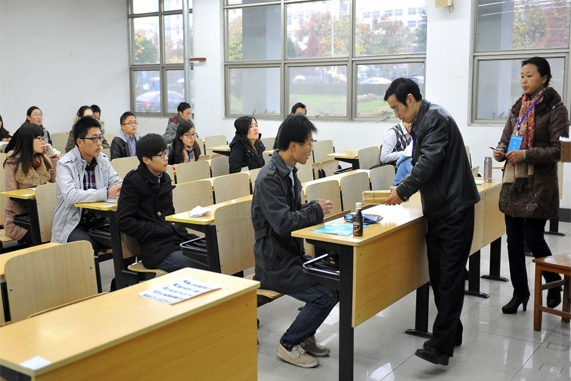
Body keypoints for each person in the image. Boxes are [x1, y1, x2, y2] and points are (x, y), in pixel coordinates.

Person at [383, 78, 480, 366]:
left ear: (410, 99)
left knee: (449, 276)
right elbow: (419, 162)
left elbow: (428, 162)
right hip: (440, 209)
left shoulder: (434, 119)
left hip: (454, 209)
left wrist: (402, 190)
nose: (396, 114)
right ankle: (453, 332)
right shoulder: (423, 120)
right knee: (439, 275)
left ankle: (440, 347)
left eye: (397, 107)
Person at [252, 114, 337, 369]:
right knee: (325, 294)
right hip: (274, 264)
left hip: (290, 256)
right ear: (293, 145)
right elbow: (283, 223)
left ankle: (305, 334)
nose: (311, 149)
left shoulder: (289, 172)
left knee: (337, 281)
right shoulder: (269, 178)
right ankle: (288, 344)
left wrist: (312, 207)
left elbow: (293, 211)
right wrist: (315, 211)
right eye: (309, 143)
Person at [493, 57, 569, 314]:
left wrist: (527, 154)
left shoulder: (556, 108)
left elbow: (559, 150)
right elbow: (506, 139)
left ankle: (552, 281)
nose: (524, 80)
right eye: (522, 75)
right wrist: (501, 151)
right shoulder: (518, 107)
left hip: (539, 183)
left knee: (532, 237)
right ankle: (520, 292)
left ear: (544, 78)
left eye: (530, 75)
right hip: (515, 181)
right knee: (513, 241)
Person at [117, 134, 201, 272]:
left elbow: (169, 213)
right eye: (161, 155)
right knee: (200, 264)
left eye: (166, 153)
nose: (166, 158)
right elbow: (124, 221)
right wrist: (161, 229)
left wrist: (175, 227)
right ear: (146, 160)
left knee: (215, 253)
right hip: (156, 248)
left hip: (175, 239)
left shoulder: (164, 177)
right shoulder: (133, 181)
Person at [51, 116, 122, 254]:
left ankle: (125, 276)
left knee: (128, 236)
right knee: (87, 245)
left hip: (100, 220)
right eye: (94, 138)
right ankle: (90, 276)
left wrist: (120, 187)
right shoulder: (65, 164)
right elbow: (71, 196)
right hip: (73, 224)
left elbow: (116, 181)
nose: (99, 143)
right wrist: (106, 193)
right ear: (80, 142)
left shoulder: (102, 160)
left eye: (100, 137)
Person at [3, 123, 57, 244]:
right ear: (27, 140)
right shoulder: (12, 163)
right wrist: (35, 214)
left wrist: (53, 157)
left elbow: (55, 183)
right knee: (44, 237)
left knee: (60, 234)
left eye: (43, 138)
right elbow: (12, 199)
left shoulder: (42, 159)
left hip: (42, 216)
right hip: (18, 220)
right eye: (39, 138)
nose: (43, 141)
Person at [380, 121, 413, 186]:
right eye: (410, 122)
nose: (411, 124)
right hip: (392, 170)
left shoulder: (413, 132)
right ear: (403, 119)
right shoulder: (392, 133)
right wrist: (404, 153)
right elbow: (384, 157)